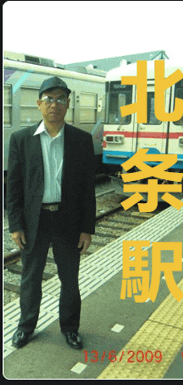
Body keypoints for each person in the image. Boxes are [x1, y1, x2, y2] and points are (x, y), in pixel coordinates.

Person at [7, 76, 96, 349]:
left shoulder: (81, 140)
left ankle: (70, 328)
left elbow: (87, 188)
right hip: (36, 220)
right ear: (38, 104)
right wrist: (15, 225)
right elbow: (15, 187)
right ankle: (26, 327)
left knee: (70, 278)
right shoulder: (21, 140)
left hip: (68, 220)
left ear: (68, 104)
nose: (54, 104)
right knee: (30, 277)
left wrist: (87, 228)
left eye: (60, 99)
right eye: (49, 99)